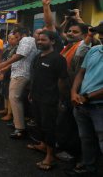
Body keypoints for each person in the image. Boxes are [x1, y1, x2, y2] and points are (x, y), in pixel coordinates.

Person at [65, 23, 103, 176]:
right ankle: (89, 169)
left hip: (99, 106)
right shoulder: (94, 50)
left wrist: (87, 97)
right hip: (81, 105)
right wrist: (74, 92)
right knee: (86, 139)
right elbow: (80, 73)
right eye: (100, 33)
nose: (100, 36)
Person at [27, 31, 68, 171]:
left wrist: (61, 100)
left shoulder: (58, 59)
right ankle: (43, 145)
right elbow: (36, 77)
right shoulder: (39, 56)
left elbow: (62, 81)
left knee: (49, 126)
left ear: (53, 42)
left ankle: (50, 157)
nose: (39, 42)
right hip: (37, 97)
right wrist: (31, 93)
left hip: (50, 99)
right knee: (39, 123)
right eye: (38, 40)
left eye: (43, 40)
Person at [0, 27, 37, 139]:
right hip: (19, 73)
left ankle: (20, 128)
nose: (15, 39)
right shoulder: (27, 41)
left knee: (14, 98)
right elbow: (20, 58)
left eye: (16, 36)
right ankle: (17, 122)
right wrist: (7, 67)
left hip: (21, 74)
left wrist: (5, 63)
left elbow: (20, 55)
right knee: (16, 98)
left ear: (21, 34)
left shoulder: (27, 40)